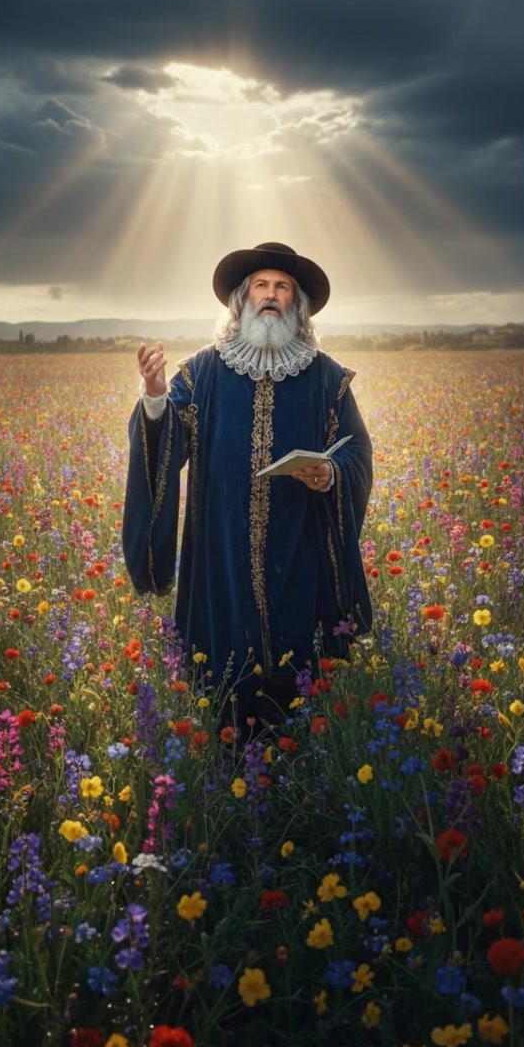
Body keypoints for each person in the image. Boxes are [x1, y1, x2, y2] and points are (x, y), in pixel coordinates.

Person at [122, 242, 373, 726]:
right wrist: (154, 399)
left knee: (299, 684)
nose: (271, 295)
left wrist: (331, 473)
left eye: (282, 287)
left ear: (297, 304)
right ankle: (225, 741)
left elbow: (355, 451)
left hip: (300, 547)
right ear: (243, 299)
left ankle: (301, 743)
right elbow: (169, 439)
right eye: (261, 285)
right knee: (225, 681)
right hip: (220, 553)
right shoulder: (202, 371)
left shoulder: (327, 378)